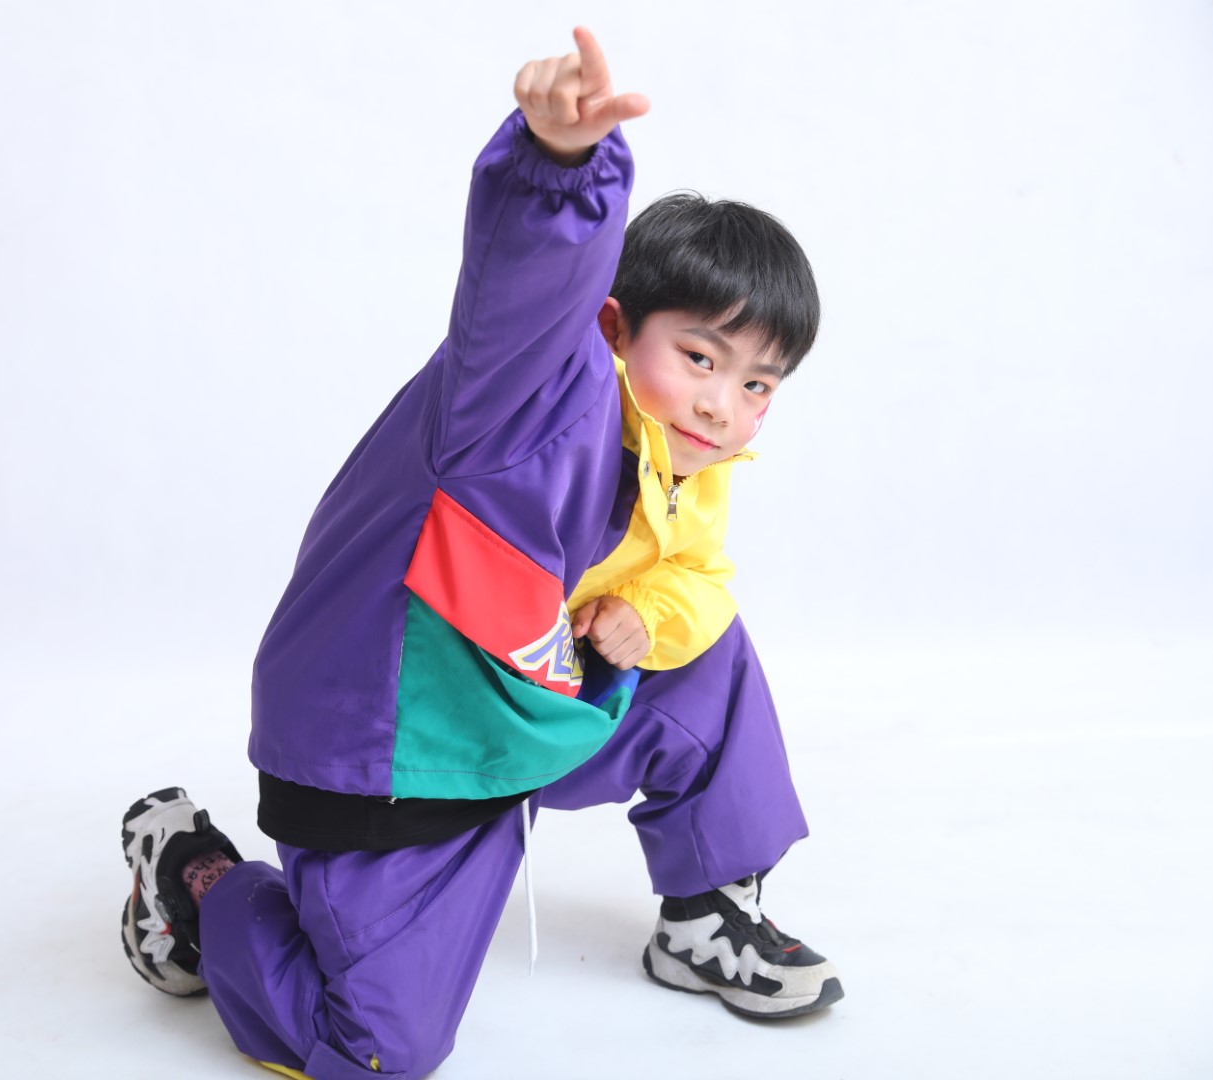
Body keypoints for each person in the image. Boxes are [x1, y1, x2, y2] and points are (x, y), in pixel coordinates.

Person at [118, 27, 840, 1080]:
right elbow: (523, 296)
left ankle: (706, 915)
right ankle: (194, 879)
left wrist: (647, 617)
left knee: (708, 654)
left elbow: (700, 578)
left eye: (758, 383)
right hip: (390, 748)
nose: (723, 406)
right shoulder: (525, 397)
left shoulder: (685, 458)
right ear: (612, 327)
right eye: (700, 357)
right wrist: (561, 167)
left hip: (519, 713)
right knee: (374, 1049)